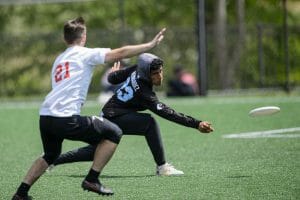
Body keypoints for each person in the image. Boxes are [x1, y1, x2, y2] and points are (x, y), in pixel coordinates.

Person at [12, 17, 166, 200]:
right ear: (84, 36)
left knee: (50, 154)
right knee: (114, 132)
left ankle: (21, 194)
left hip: (45, 116)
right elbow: (121, 53)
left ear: (64, 39)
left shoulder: (59, 60)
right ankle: (92, 179)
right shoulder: (85, 54)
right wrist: (150, 45)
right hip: (66, 118)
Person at [47, 53, 214, 177]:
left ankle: (53, 159)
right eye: (155, 73)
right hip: (113, 116)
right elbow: (168, 113)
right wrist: (196, 124)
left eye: (161, 71)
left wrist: (113, 73)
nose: (159, 76)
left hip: (110, 113)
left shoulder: (137, 69)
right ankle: (162, 167)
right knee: (149, 123)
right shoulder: (144, 92)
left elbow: (113, 79)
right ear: (146, 73)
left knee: (95, 151)